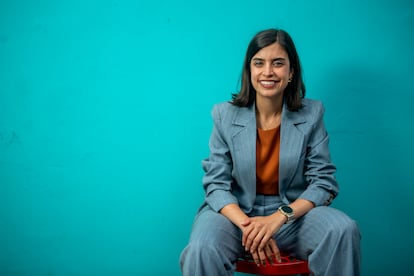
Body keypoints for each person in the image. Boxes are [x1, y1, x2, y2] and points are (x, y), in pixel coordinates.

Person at [179, 28, 361, 276]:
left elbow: (323, 182)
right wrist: (252, 227)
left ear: (291, 71)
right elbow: (216, 185)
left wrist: (278, 218)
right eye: (259, 63)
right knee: (201, 249)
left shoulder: (312, 114)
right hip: (235, 216)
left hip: (293, 217)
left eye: (278, 63)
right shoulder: (224, 115)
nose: (267, 72)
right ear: (249, 70)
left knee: (343, 230)